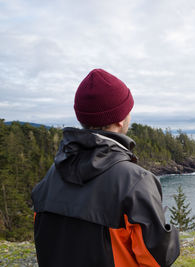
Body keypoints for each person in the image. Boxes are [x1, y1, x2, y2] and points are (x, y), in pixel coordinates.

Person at [31, 69, 180, 267]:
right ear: (120, 119)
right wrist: (169, 235)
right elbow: (157, 259)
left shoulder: (52, 175)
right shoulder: (135, 182)